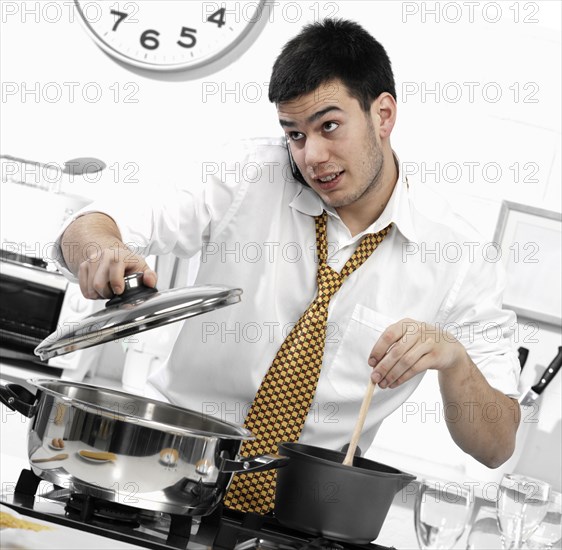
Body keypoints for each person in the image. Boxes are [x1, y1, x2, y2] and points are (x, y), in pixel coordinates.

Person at [56, 20, 520, 479]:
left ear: (383, 115)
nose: (311, 155)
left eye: (329, 126)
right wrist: (101, 249)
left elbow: (496, 447)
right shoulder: (245, 173)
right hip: (168, 471)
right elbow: (92, 223)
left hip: (310, 509)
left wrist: (453, 357)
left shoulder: (462, 259)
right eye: (294, 134)